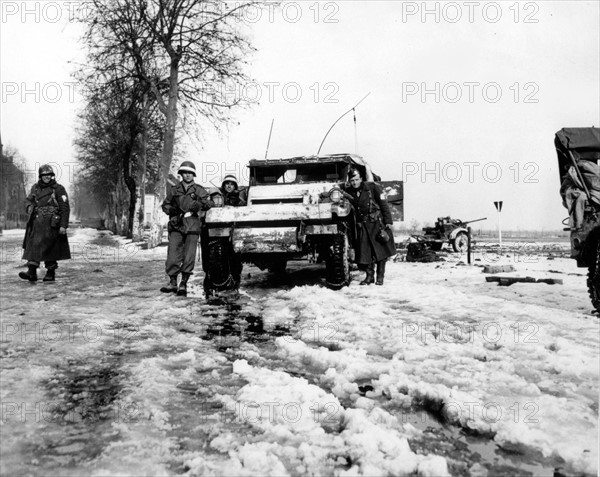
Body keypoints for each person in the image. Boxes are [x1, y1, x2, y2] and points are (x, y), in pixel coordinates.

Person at [160, 161, 213, 296]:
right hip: (177, 225)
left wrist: (200, 204)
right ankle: (172, 282)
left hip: (192, 226)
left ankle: (183, 283)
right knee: (172, 254)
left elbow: (210, 202)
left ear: (193, 174)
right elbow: (165, 205)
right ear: (181, 174)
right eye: (185, 173)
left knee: (189, 256)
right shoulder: (174, 189)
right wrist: (171, 209)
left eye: (190, 173)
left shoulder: (199, 189)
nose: (188, 175)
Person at [343, 168, 396, 285]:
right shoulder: (349, 191)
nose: (354, 182)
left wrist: (388, 221)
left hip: (376, 224)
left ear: (361, 179)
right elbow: (337, 193)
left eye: (356, 180)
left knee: (381, 252)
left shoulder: (372, 187)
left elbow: (383, 204)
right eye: (352, 180)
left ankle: (380, 277)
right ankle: (369, 276)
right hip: (362, 226)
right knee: (366, 252)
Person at [20, 164, 71, 282]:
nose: (47, 177)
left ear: (52, 176)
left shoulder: (58, 189)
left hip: (52, 224)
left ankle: (50, 272)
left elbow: (65, 208)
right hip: (37, 223)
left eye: (49, 175)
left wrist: (63, 225)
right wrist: (29, 206)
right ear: (40, 176)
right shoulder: (35, 188)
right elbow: (28, 200)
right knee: (33, 247)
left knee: (51, 249)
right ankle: (31, 272)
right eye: (44, 175)